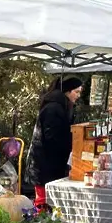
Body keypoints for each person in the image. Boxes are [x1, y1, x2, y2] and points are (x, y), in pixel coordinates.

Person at [26, 76, 82, 207]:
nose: (79, 96)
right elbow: (52, 138)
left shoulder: (60, 106)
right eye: (77, 92)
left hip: (50, 164)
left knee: (49, 202)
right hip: (44, 165)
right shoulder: (53, 108)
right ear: (67, 91)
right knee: (43, 201)